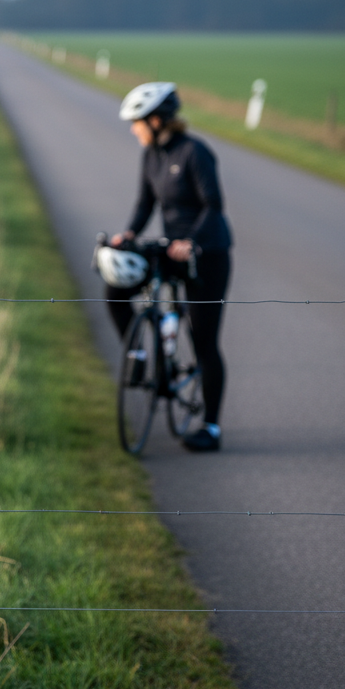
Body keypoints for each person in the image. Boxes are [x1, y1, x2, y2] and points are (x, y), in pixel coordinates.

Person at [105, 82, 232, 452]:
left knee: (204, 340)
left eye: (137, 122)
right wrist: (128, 233)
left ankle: (211, 427)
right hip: (168, 249)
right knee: (116, 289)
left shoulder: (195, 152)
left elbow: (214, 206)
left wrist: (192, 241)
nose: (133, 130)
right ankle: (141, 358)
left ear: (157, 120)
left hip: (207, 252)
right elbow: (145, 202)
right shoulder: (151, 156)